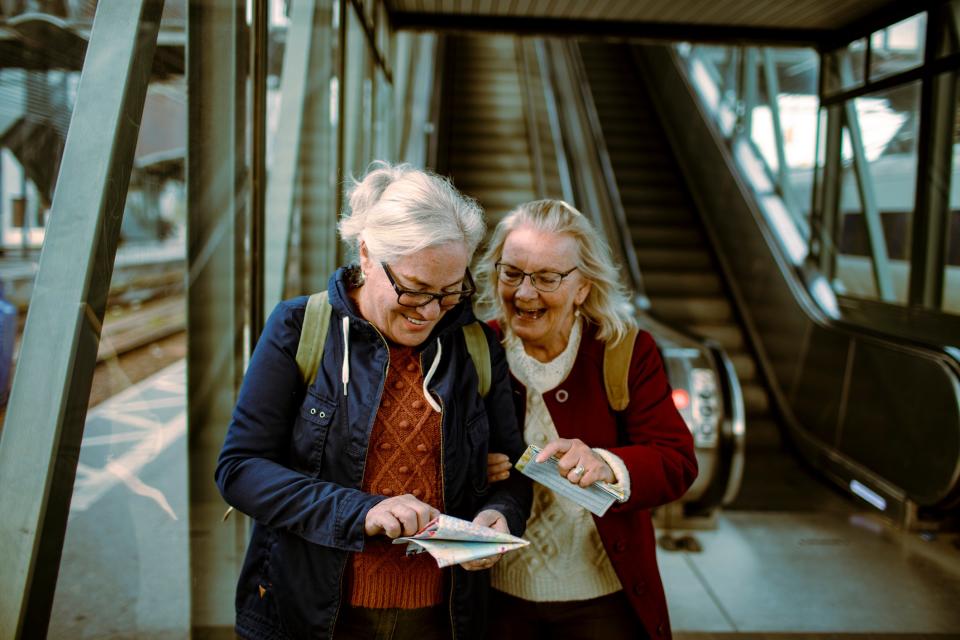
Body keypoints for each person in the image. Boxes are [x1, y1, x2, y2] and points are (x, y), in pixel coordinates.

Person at [215, 162, 532, 640]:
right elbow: (239, 470)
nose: (429, 312)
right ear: (366, 256)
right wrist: (359, 511)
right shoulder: (300, 328)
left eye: (449, 293)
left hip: (439, 617)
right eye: (413, 290)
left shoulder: (474, 346)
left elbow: (513, 469)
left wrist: (501, 514)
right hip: (314, 613)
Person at [478, 199, 698, 640]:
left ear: (582, 287)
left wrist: (607, 464)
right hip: (497, 600)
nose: (524, 294)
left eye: (547, 278)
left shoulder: (624, 350)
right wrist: (468, 468)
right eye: (513, 273)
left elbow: (677, 461)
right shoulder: (476, 349)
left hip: (603, 599)